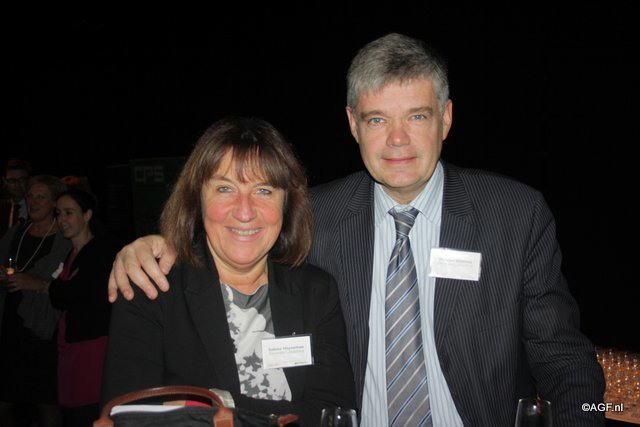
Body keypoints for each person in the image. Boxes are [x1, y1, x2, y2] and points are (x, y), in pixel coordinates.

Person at [107, 33, 605, 425]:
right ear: (352, 124)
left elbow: (566, 361)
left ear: (446, 118)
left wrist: (592, 416)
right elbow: (241, 236)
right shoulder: (316, 217)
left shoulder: (514, 215)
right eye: (376, 120)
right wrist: (158, 245)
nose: (397, 140)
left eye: (417, 116)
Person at [100, 117, 356, 425]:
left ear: (287, 204)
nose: (244, 212)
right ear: (197, 198)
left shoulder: (316, 291)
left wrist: (213, 403)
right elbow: (130, 416)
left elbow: (332, 413)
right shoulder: (151, 286)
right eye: (225, 188)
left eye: (264, 190)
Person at [0, 174, 70, 427]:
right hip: (11, 325)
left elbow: (71, 288)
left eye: (41, 197)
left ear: (54, 203)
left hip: (43, 328)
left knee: (46, 400)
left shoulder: (65, 238)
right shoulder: (16, 232)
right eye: (30, 196)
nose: (33, 201)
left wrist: (34, 283)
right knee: (5, 398)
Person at [48, 188, 115, 427]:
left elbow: (72, 294)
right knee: (71, 410)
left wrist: (60, 288)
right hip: (71, 346)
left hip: (91, 346)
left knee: (88, 411)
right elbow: (59, 296)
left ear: (87, 215)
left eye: (69, 213)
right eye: (58, 213)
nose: (62, 220)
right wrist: (61, 289)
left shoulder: (100, 252)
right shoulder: (70, 253)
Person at [0, 158, 32, 238]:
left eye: (22, 180)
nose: (17, 184)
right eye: (12, 180)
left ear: (29, 180)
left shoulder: (38, 206)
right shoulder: (2, 207)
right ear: (4, 181)